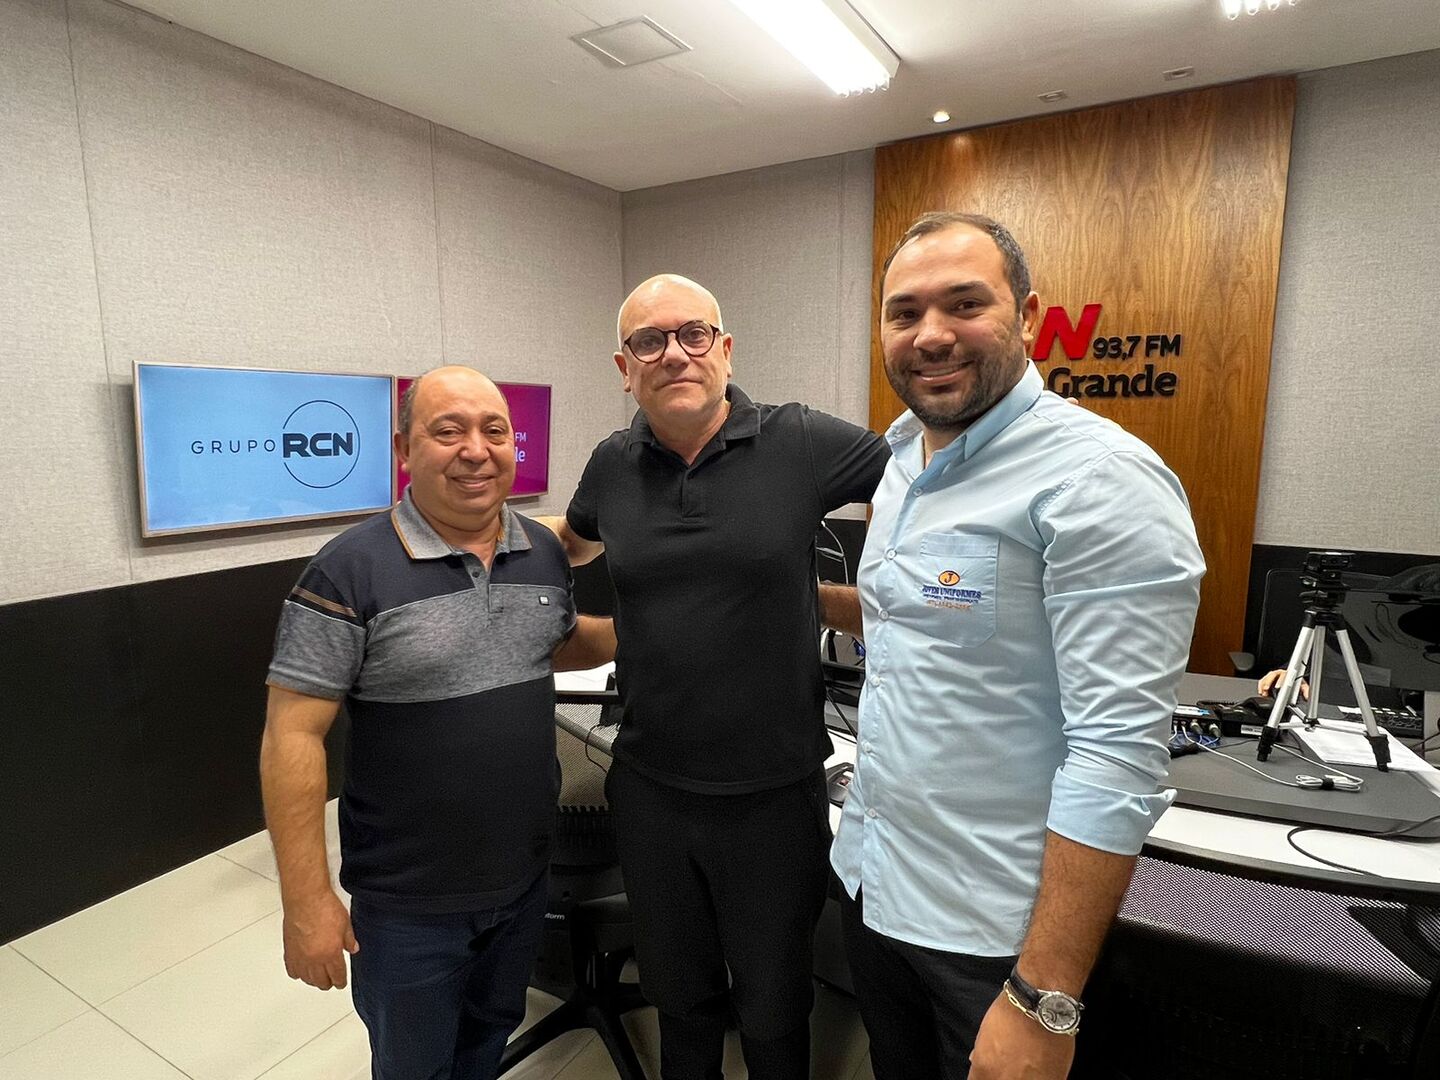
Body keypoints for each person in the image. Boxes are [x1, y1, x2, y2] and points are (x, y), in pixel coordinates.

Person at [826, 213, 1206, 1080]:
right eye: (904, 311)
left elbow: (1118, 760)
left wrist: (1045, 997)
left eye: (965, 303)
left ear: (1028, 315)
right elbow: (910, 618)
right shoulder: (901, 464)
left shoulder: (1098, 481)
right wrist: (792, 598)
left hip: (995, 939)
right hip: (875, 886)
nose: (930, 335)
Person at [541, 275, 890, 1079]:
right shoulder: (612, 463)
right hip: (652, 789)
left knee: (774, 1006)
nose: (674, 353)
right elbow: (580, 538)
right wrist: (483, 550)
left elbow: (924, 486)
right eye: (649, 341)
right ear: (624, 367)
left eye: (693, 334)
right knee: (680, 997)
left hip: (773, 797)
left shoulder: (801, 440)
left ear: (725, 350)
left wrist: (866, 601)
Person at [261, 366, 615, 1080]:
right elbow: (291, 735)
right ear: (403, 449)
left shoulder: (541, 551)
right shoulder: (346, 572)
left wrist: (647, 629)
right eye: (446, 431)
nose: (475, 450)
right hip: (410, 903)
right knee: (414, 1065)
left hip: (522, 879)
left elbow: (548, 637)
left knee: (487, 1042)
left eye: (493, 430)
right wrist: (307, 902)